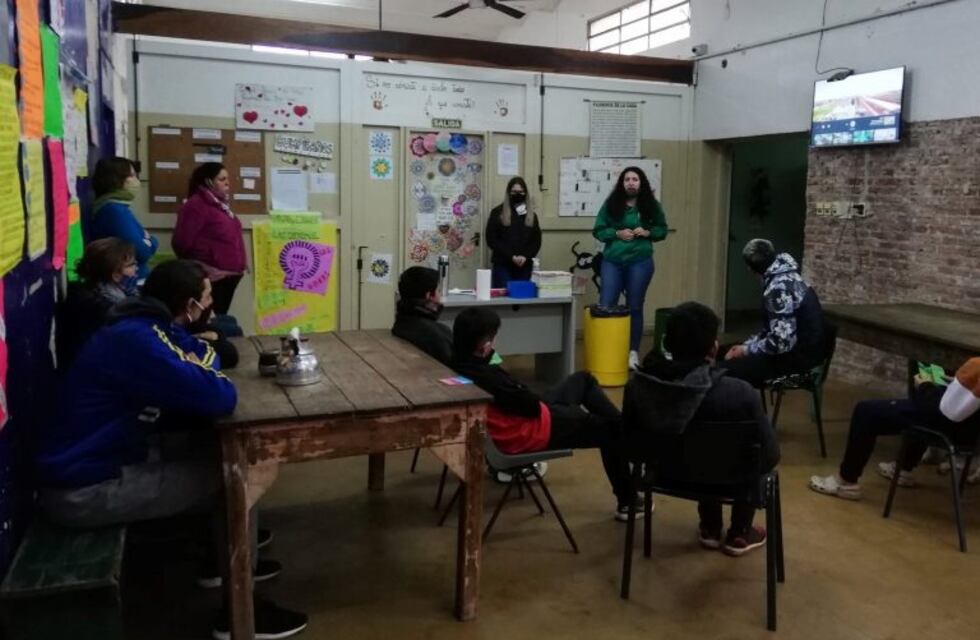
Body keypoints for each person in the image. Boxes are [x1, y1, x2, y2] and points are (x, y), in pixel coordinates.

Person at [34, 260, 307, 640]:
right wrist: (200, 364)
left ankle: (222, 559)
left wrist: (198, 361)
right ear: (189, 305)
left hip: (107, 459)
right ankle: (240, 609)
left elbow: (210, 353)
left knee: (215, 448)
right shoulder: (139, 341)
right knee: (248, 467)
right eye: (207, 299)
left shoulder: (145, 325)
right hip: (84, 489)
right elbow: (219, 394)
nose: (212, 307)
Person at [451, 307, 638, 520]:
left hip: (524, 418)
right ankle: (629, 502)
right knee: (610, 430)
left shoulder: (458, 364)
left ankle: (628, 435)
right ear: (485, 346)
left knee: (583, 380)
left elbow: (523, 399)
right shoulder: (490, 378)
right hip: (531, 430)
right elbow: (529, 404)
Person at [624, 302, 779, 556]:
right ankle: (739, 531)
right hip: (732, 480)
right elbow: (770, 456)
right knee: (741, 458)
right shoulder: (741, 393)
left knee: (701, 451)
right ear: (714, 348)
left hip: (664, 475)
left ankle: (710, 526)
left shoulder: (641, 388)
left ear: (667, 343)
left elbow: (630, 445)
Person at [809, 357, 980, 500]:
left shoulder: (976, 366)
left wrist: (925, 385)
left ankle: (845, 482)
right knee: (915, 409)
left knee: (866, 411)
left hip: (951, 429)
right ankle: (903, 469)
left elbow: (945, 411)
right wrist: (956, 384)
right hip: (972, 434)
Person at [592, 166, 668, 370]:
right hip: (612, 261)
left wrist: (648, 232)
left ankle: (632, 352)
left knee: (634, 306)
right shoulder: (611, 204)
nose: (631, 183)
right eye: (627, 179)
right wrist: (616, 234)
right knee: (607, 304)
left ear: (641, 183)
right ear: (622, 183)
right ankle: (606, 350)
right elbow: (598, 230)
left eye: (635, 179)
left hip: (640, 261)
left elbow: (662, 230)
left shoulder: (651, 205)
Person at [721, 239, 825, 387]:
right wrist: (747, 346)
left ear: (750, 268)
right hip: (807, 353)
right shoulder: (788, 274)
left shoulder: (777, 290)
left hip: (799, 362)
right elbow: (774, 331)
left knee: (723, 371)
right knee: (728, 353)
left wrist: (746, 350)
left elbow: (781, 343)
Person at [173, 163, 248, 315]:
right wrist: (203, 268)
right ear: (208, 182)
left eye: (227, 179)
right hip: (212, 277)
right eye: (222, 179)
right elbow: (181, 243)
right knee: (210, 319)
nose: (227, 183)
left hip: (229, 277)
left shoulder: (220, 205)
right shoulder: (196, 205)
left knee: (220, 318)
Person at [57, 238, 138, 370]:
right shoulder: (105, 308)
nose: (136, 269)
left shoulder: (88, 291)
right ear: (115, 273)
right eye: (131, 264)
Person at [87, 157, 158, 284]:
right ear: (116, 180)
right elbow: (141, 252)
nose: (136, 181)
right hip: (127, 284)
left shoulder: (115, 207)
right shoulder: (114, 211)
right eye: (132, 176)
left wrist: (146, 240)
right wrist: (151, 241)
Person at [486, 176, 542, 288]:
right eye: (514, 192)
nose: (518, 194)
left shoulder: (531, 215)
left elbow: (536, 241)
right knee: (504, 296)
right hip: (503, 265)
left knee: (522, 297)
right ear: (508, 193)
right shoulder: (497, 213)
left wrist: (526, 256)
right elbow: (491, 239)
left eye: (521, 192)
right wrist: (511, 256)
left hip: (524, 266)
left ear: (525, 193)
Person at [391, 266, 453, 365]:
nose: (439, 295)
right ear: (429, 295)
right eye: (438, 291)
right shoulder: (439, 334)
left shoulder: (401, 321)